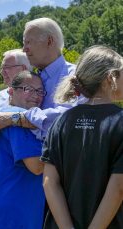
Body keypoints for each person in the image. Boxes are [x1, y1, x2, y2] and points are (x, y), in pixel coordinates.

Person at [41, 45, 123, 229]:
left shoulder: (61, 121)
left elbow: (49, 182)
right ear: (110, 78)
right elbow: (119, 188)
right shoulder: (120, 121)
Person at [0, 17, 78, 140]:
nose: (24, 49)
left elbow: (68, 117)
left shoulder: (74, 76)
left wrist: (14, 119)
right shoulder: (30, 78)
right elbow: (4, 106)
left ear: (49, 41)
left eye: (28, 42)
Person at [0, 71, 46, 229]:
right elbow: (36, 166)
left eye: (40, 91)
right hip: (14, 212)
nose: (36, 95)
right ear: (11, 91)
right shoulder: (16, 119)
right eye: (28, 89)